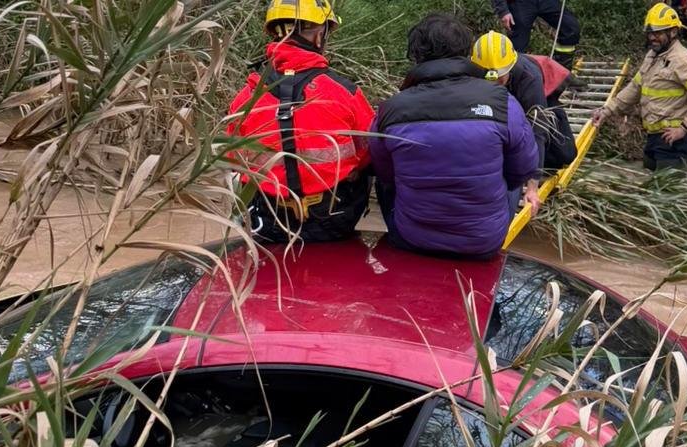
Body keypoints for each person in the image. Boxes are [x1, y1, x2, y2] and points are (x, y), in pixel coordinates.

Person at [368, 14, 538, 259]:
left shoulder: (391, 109)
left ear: (416, 56)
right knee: (509, 172)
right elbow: (523, 170)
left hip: (411, 238)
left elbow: (384, 173)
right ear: (468, 54)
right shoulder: (503, 102)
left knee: (385, 179)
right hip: (482, 243)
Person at [227, 0, 375, 244]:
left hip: (268, 221)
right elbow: (371, 152)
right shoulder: (344, 93)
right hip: (332, 222)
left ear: (275, 33)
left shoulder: (245, 98)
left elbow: (233, 162)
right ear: (319, 34)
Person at [590, 3, 687, 172]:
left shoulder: (683, 60)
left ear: (672, 32)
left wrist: (684, 128)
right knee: (649, 179)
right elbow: (635, 87)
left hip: (674, 139)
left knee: (668, 191)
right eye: (650, 33)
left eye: (658, 33)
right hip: (654, 137)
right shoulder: (652, 56)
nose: (652, 38)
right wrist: (607, 111)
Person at [471, 31, 578, 212]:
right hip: (504, 104)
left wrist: (532, 188)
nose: (495, 82)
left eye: (500, 78)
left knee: (566, 154)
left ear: (510, 67)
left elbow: (538, 131)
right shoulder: (475, 70)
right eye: (489, 78)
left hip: (542, 95)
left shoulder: (529, 76)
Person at [490, 0, 580, 69]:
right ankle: (514, 81)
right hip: (520, 3)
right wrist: (503, 11)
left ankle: (561, 75)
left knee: (570, 28)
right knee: (518, 46)